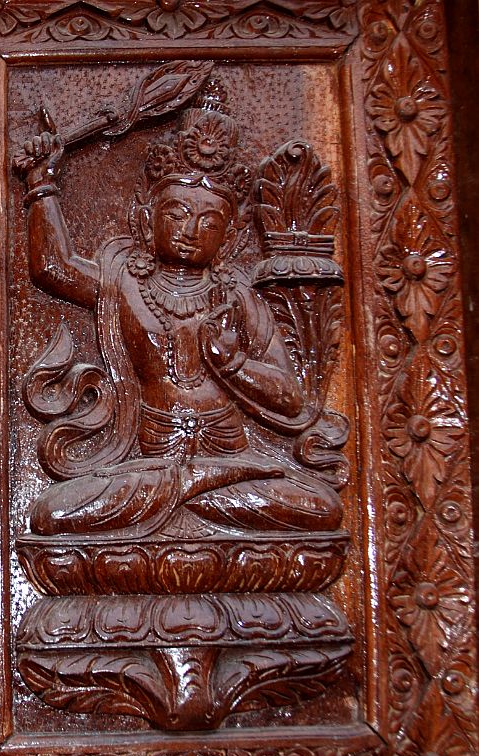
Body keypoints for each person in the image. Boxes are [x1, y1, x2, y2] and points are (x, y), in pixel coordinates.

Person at [17, 83, 342, 537]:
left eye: (208, 222)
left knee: (320, 507)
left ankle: (192, 497)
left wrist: (234, 364)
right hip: (148, 467)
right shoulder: (126, 281)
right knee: (54, 513)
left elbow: (291, 396)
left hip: (230, 464)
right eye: (177, 214)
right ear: (147, 220)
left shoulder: (237, 296)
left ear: (229, 239)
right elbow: (54, 268)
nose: (191, 230)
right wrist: (42, 184)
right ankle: (187, 497)